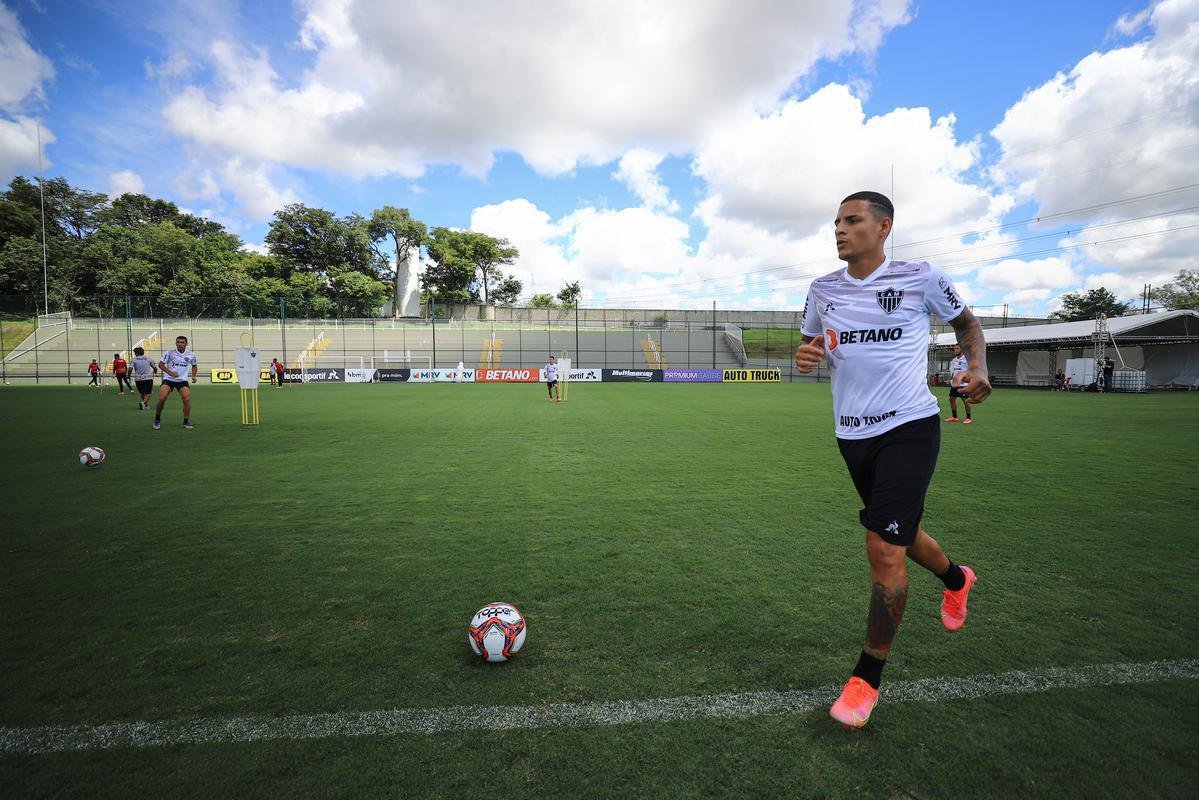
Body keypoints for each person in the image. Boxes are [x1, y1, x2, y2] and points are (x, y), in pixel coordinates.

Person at [794, 190, 990, 729]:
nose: (839, 229)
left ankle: (866, 677)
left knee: (882, 545)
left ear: (883, 227)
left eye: (852, 220)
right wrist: (807, 356)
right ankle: (956, 579)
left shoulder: (921, 276)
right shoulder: (821, 289)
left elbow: (967, 324)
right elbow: (811, 344)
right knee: (899, 532)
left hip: (910, 425)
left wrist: (978, 366)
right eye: (835, 221)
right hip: (851, 435)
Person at [154, 335, 198, 430]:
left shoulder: (191, 355)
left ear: (186, 344)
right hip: (168, 379)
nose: (180, 344)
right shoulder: (169, 353)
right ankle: (157, 418)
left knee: (186, 399)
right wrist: (170, 372)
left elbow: (194, 366)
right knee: (162, 398)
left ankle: (186, 421)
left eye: (182, 342)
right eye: (178, 342)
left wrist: (194, 376)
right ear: (176, 343)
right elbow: (160, 365)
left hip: (182, 381)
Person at [946, 344, 973, 423]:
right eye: (954, 349)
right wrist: (951, 380)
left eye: (957, 348)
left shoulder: (966, 359)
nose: (955, 350)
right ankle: (954, 417)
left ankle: (968, 418)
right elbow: (953, 372)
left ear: (962, 349)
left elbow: (971, 371)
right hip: (955, 384)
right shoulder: (954, 360)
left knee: (966, 401)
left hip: (963, 385)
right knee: (951, 399)